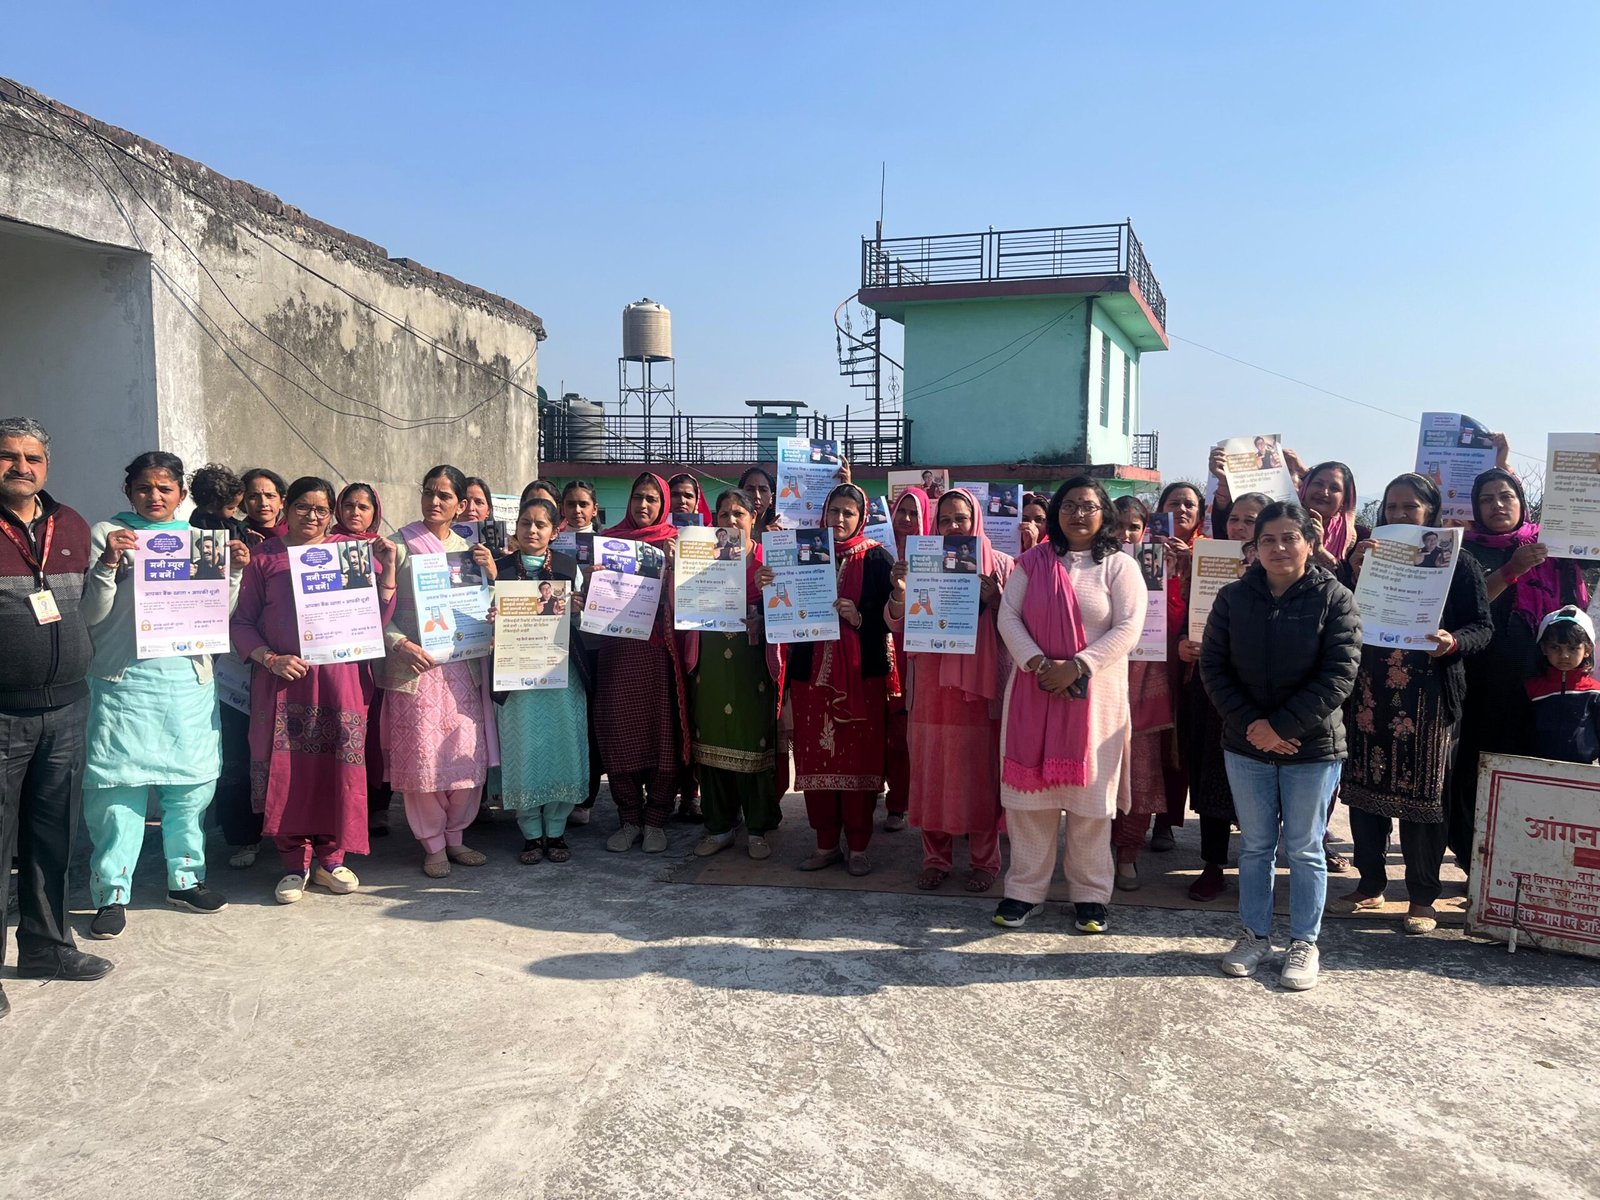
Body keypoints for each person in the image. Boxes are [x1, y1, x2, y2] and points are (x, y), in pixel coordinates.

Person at [81, 452, 247, 940]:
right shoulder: (108, 534)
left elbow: (215, 616)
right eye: (144, 488)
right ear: (128, 491)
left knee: (189, 789)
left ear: (181, 494)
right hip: (124, 683)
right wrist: (108, 563)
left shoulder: (201, 541)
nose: (154, 496)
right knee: (117, 793)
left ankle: (186, 880)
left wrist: (233, 573)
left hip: (185, 684)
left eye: (165, 488)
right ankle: (111, 892)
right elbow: (91, 615)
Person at [1200, 501, 1361, 990]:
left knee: (1305, 847)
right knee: (1255, 846)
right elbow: (1214, 667)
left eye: (1290, 537)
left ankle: (1304, 942)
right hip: (1246, 743)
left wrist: (1284, 727)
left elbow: (1340, 673)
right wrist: (1255, 725)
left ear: (1310, 543)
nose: (1279, 548)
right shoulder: (1232, 598)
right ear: (1255, 548)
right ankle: (1254, 936)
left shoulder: (1336, 598)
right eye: (1268, 539)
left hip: (1311, 747)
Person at [230, 476, 397, 903]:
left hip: (340, 681)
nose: (313, 516)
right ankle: (293, 864)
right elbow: (242, 623)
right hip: (284, 682)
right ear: (287, 507)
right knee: (290, 771)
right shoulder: (265, 557)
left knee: (336, 768)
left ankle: (332, 859)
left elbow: (374, 621)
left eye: (322, 509)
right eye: (303, 507)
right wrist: (270, 658)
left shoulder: (350, 554)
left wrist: (388, 570)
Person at [1340, 474, 1492, 934]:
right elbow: (1344, 613)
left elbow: (1482, 628)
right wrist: (1354, 570)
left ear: (1430, 512)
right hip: (1370, 690)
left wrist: (1453, 641)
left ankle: (1422, 897)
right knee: (1365, 787)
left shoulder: (1458, 562)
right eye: (1391, 507)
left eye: (1410, 507)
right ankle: (1370, 883)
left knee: (1424, 797)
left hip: (1429, 697)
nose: (1400, 515)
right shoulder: (1370, 557)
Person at [991, 477, 1145, 933]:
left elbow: (1129, 627)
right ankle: (1024, 891)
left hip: (1096, 697)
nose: (1079, 513)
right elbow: (1008, 616)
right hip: (1033, 689)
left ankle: (1090, 895)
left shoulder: (1119, 567)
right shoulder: (1031, 564)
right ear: (1057, 513)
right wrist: (1039, 664)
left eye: (1088, 506)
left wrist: (1078, 666)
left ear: (1104, 514)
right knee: (1029, 804)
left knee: (1090, 805)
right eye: (1070, 505)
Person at [0, 417, 113, 1013]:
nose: (21, 466)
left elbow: (89, 606)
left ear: (47, 465)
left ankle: (47, 948)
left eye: (33, 458)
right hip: (3, 712)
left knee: (53, 837)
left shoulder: (69, 522)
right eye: (8, 455)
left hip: (68, 706)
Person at [1455, 461, 1592, 867]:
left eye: (1506, 496)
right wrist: (1513, 569)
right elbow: (1467, 606)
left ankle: (1520, 865)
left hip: (1541, 686)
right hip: (1480, 685)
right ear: (1476, 508)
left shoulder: (1552, 548)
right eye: (1486, 499)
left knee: (1529, 774)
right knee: (1473, 772)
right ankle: (1472, 862)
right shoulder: (1465, 550)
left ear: (1522, 502)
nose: (1497, 505)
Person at [762, 483, 894, 874]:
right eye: (834, 511)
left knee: (859, 763)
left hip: (861, 678)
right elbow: (782, 612)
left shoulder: (877, 558)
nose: (839, 519)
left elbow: (895, 619)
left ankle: (858, 847)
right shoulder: (800, 553)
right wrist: (769, 583)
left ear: (861, 517)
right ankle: (825, 844)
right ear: (824, 514)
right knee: (816, 760)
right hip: (810, 678)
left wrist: (858, 617)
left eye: (848, 513)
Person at [377, 465, 499, 878]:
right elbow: (375, 611)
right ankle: (432, 844)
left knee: (465, 757)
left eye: (444, 496)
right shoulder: (397, 546)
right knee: (423, 762)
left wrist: (492, 576)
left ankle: (456, 837)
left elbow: (486, 608)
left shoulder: (471, 551)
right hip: (416, 669)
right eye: (429, 492)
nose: (434, 501)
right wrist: (400, 644)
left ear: (461, 505)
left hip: (463, 670)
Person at [888, 488, 1012, 891]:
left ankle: (985, 861)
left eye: (961, 518)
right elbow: (896, 623)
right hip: (930, 685)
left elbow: (1020, 626)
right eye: (945, 520)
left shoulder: (1001, 565)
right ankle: (935, 859)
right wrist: (900, 591)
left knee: (979, 774)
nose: (953, 526)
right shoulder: (922, 563)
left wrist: (996, 600)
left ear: (976, 520)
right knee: (931, 771)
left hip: (978, 691)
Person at [590, 472, 690, 853]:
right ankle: (629, 818)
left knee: (662, 734)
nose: (643, 505)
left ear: (663, 504)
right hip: (617, 653)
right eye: (637, 497)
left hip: (659, 654)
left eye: (652, 499)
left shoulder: (674, 541)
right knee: (618, 732)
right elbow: (588, 600)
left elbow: (694, 597)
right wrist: (592, 579)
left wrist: (677, 566)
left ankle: (656, 819)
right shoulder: (608, 542)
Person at [1178, 490, 1271, 901]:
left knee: (1260, 782)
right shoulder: (1208, 560)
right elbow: (1187, 619)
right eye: (1234, 518)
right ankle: (1212, 864)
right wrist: (1183, 643)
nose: (1239, 527)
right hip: (1213, 689)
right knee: (1213, 775)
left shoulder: (1283, 568)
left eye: (1251, 520)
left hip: (1263, 692)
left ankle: (1257, 867)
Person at [688, 488, 782, 859]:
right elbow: (683, 608)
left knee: (751, 742)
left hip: (751, 665)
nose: (730, 520)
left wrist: (765, 613)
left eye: (738, 514)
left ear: (753, 518)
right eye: (724, 514)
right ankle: (719, 827)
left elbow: (789, 612)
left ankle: (757, 828)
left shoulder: (767, 562)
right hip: (710, 663)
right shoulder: (700, 560)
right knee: (711, 739)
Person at [494, 497, 589, 864]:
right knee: (523, 749)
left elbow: (582, 625)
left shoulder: (568, 568)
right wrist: (491, 619)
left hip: (560, 674)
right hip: (517, 679)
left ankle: (557, 829)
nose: (531, 530)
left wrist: (578, 611)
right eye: (525, 523)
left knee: (563, 746)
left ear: (554, 531)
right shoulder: (500, 569)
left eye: (540, 524)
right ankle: (531, 834)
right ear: (515, 527)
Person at [332, 482, 394, 840]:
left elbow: (388, 608)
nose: (355, 512)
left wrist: (387, 567)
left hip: (372, 660)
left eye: (363, 507)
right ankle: (341, 810)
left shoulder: (383, 549)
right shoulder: (323, 548)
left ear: (375, 512)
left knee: (376, 735)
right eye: (349, 505)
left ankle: (377, 808)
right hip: (334, 660)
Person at [882, 488, 933, 833]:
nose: (907, 519)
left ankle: (899, 802)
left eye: (915, 513)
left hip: (915, 653)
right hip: (882, 645)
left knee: (905, 733)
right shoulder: (879, 551)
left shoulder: (933, 555)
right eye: (902, 511)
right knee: (882, 729)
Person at [559, 480, 605, 824]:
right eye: (570, 504)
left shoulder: (609, 545)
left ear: (594, 509)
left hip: (595, 644)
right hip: (559, 644)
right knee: (566, 721)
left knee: (591, 721)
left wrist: (595, 581)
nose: (577, 510)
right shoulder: (550, 544)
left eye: (583, 504)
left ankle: (586, 798)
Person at [1524, 607, 1600, 764]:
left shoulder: (1595, 692)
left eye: (1572, 648)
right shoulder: (1531, 690)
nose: (1564, 655)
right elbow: (1517, 733)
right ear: (1544, 648)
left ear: (1587, 649)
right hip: (1534, 771)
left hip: (1583, 772)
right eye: (1555, 647)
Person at [1299, 461, 1366, 586]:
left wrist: (1319, 550)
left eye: (1334, 488)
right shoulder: (1281, 525)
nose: (1324, 492)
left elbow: (1348, 586)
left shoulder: (1360, 539)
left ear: (1344, 500)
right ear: (1305, 487)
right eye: (1318, 484)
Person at [189, 462, 247, 541]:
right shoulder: (205, 525)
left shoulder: (219, 517)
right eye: (231, 508)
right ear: (211, 507)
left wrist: (246, 531)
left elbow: (235, 524)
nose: (235, 510)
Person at [239, 468, 287, 545]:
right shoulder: (235, 535)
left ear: (282, 502)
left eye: (270, 496)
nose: (263, 503)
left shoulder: (297, 533)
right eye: (253, 496)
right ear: (242, 502)